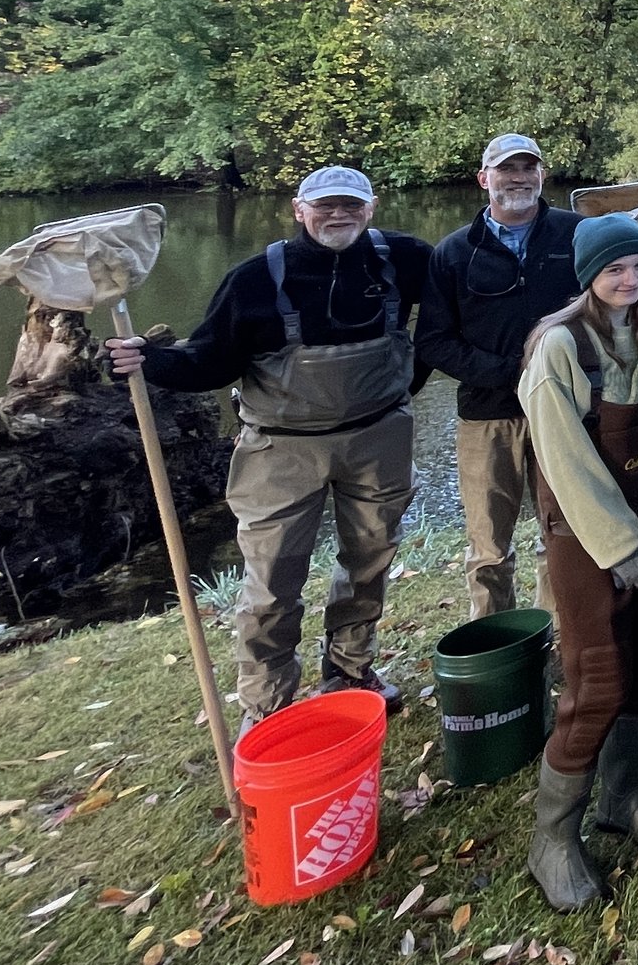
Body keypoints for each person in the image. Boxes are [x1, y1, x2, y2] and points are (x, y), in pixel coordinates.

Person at [104, 166, 430, 733]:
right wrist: (148, 361)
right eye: (324, 206)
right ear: (299, 210)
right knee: (272, 580)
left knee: (370, 560)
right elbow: (210, 360)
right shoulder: (254, 278)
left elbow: (453, 316)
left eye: (350, 206)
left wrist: (411, 381)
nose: (338, 216)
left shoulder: (405, 259)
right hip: (280, 450)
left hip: (380, 437)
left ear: (370, 208)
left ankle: (351, 673)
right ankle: (269, 706)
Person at [516, 215, 638, 909]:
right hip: (587, 536)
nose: (628, 279)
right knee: (597, 677)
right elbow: (564, 461)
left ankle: (621, 796)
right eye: (613, 269)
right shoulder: (558, 347)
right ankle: (553, 838)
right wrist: (623, 545)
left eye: (636, 265)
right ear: (587, 276)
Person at [417, 133, 582, 619]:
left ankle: (556, 627)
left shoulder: (575, 234)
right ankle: (493, 635)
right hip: (487, 415)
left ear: (542, 175)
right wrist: (508, 373)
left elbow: (608, 305)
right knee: (489, 544)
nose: (518, 178)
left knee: (561, 528)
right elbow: (433, 340)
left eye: (528, 167)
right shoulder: (453, 252)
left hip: (565, 409)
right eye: (507, 169)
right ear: (483, 179)